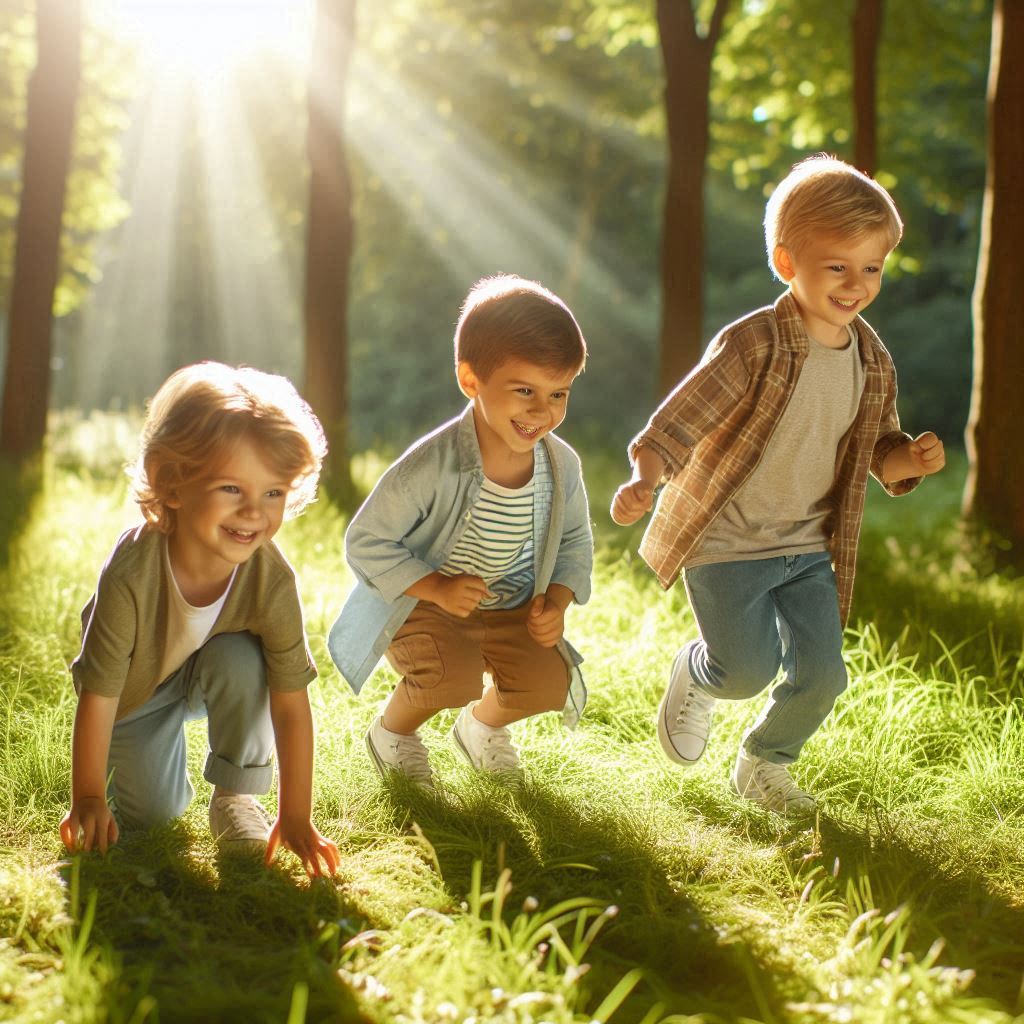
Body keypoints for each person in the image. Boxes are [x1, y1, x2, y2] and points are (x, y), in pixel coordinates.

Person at [611, 155, 946, 815]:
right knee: (747, 672)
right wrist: (645, 478)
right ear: (788, 263)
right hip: (727, 544)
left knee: (824, 676)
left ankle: (765, 765)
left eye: (871, 268)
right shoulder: (753, 345)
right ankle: (703, 673)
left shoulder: (872, 360)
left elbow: (880, 450)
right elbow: (680, 421)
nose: (856, 285)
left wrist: (913, 459)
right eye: (837, 267)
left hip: (806, 548)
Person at [60, 362, 340, 877]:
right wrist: (89, 798)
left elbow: (291, 705)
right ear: (173, 485)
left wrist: (296, 816)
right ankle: (152, 774)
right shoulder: (131, 572)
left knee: (243, 658)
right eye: (232, 489)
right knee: (154, 818)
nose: (255, 512)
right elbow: (98, 695)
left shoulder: (271, 580)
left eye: (272, 492)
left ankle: (235, 797)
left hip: (213, 668)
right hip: (134, 695)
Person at [329, 274, 593, 787]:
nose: (543, 412)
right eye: (524, 391)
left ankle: (480, 729)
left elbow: (576, 542)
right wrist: (436, 587)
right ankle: (393, 734)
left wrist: (556, 603)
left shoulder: (561, 466)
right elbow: (366, 540)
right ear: (471, 381)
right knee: (448, 679)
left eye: (558, 393)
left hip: (510, 603)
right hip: (425, 605)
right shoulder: (431, 465)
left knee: (549, 683)